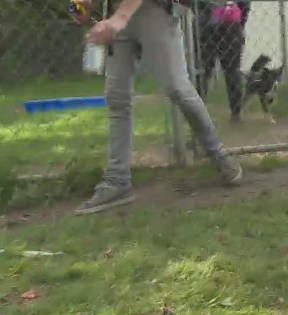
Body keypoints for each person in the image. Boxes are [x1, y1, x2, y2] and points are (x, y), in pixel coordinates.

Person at [73, 0, 242, 215]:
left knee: (178, 88)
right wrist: (80, 5)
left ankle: (218, 154)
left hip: (155, 11)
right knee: (116, 97)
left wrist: (120, 18)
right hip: (117, 13)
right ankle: (117, 181)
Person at [196, 1, 250, 123]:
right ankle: (198, 113)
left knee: (229, 72)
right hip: (212, 27)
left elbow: (245, 5)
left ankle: (235, 114)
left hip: (226, 26)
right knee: (203, 72)